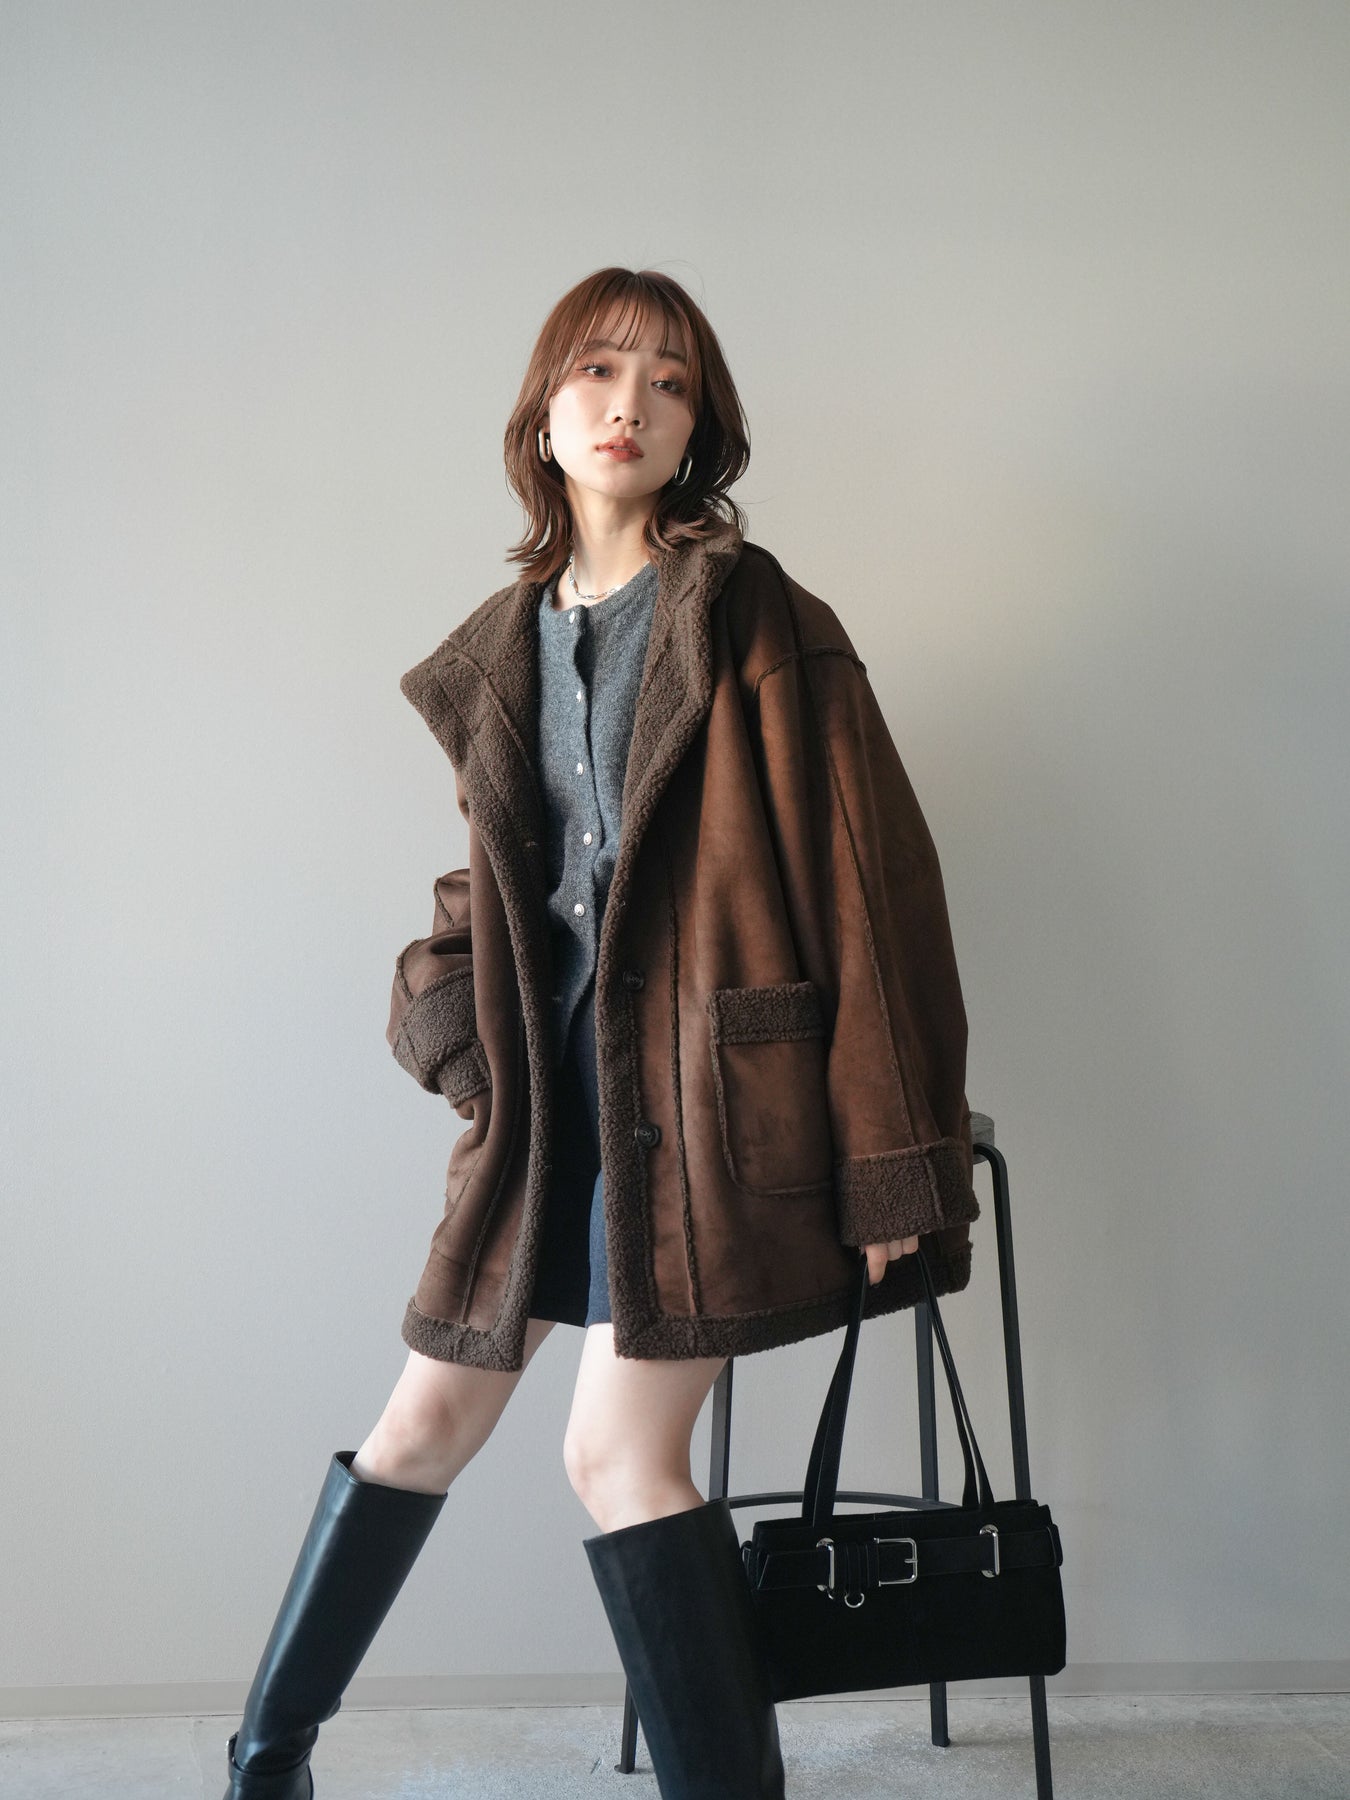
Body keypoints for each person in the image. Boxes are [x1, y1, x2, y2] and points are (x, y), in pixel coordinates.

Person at [222, 267, 981, 1800]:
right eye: (597, 369)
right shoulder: (499, 647)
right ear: (543, 413)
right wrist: (456, 1034)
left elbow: (869, 887)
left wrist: (891, 1155)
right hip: (545, 1117)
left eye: (669, 381)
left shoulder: (757, 619)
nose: (629, 402)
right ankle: (265, 1762)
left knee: (615, 1458)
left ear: (701, 430)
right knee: (420, 1424)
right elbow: (503, 885)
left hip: (705, 1117)